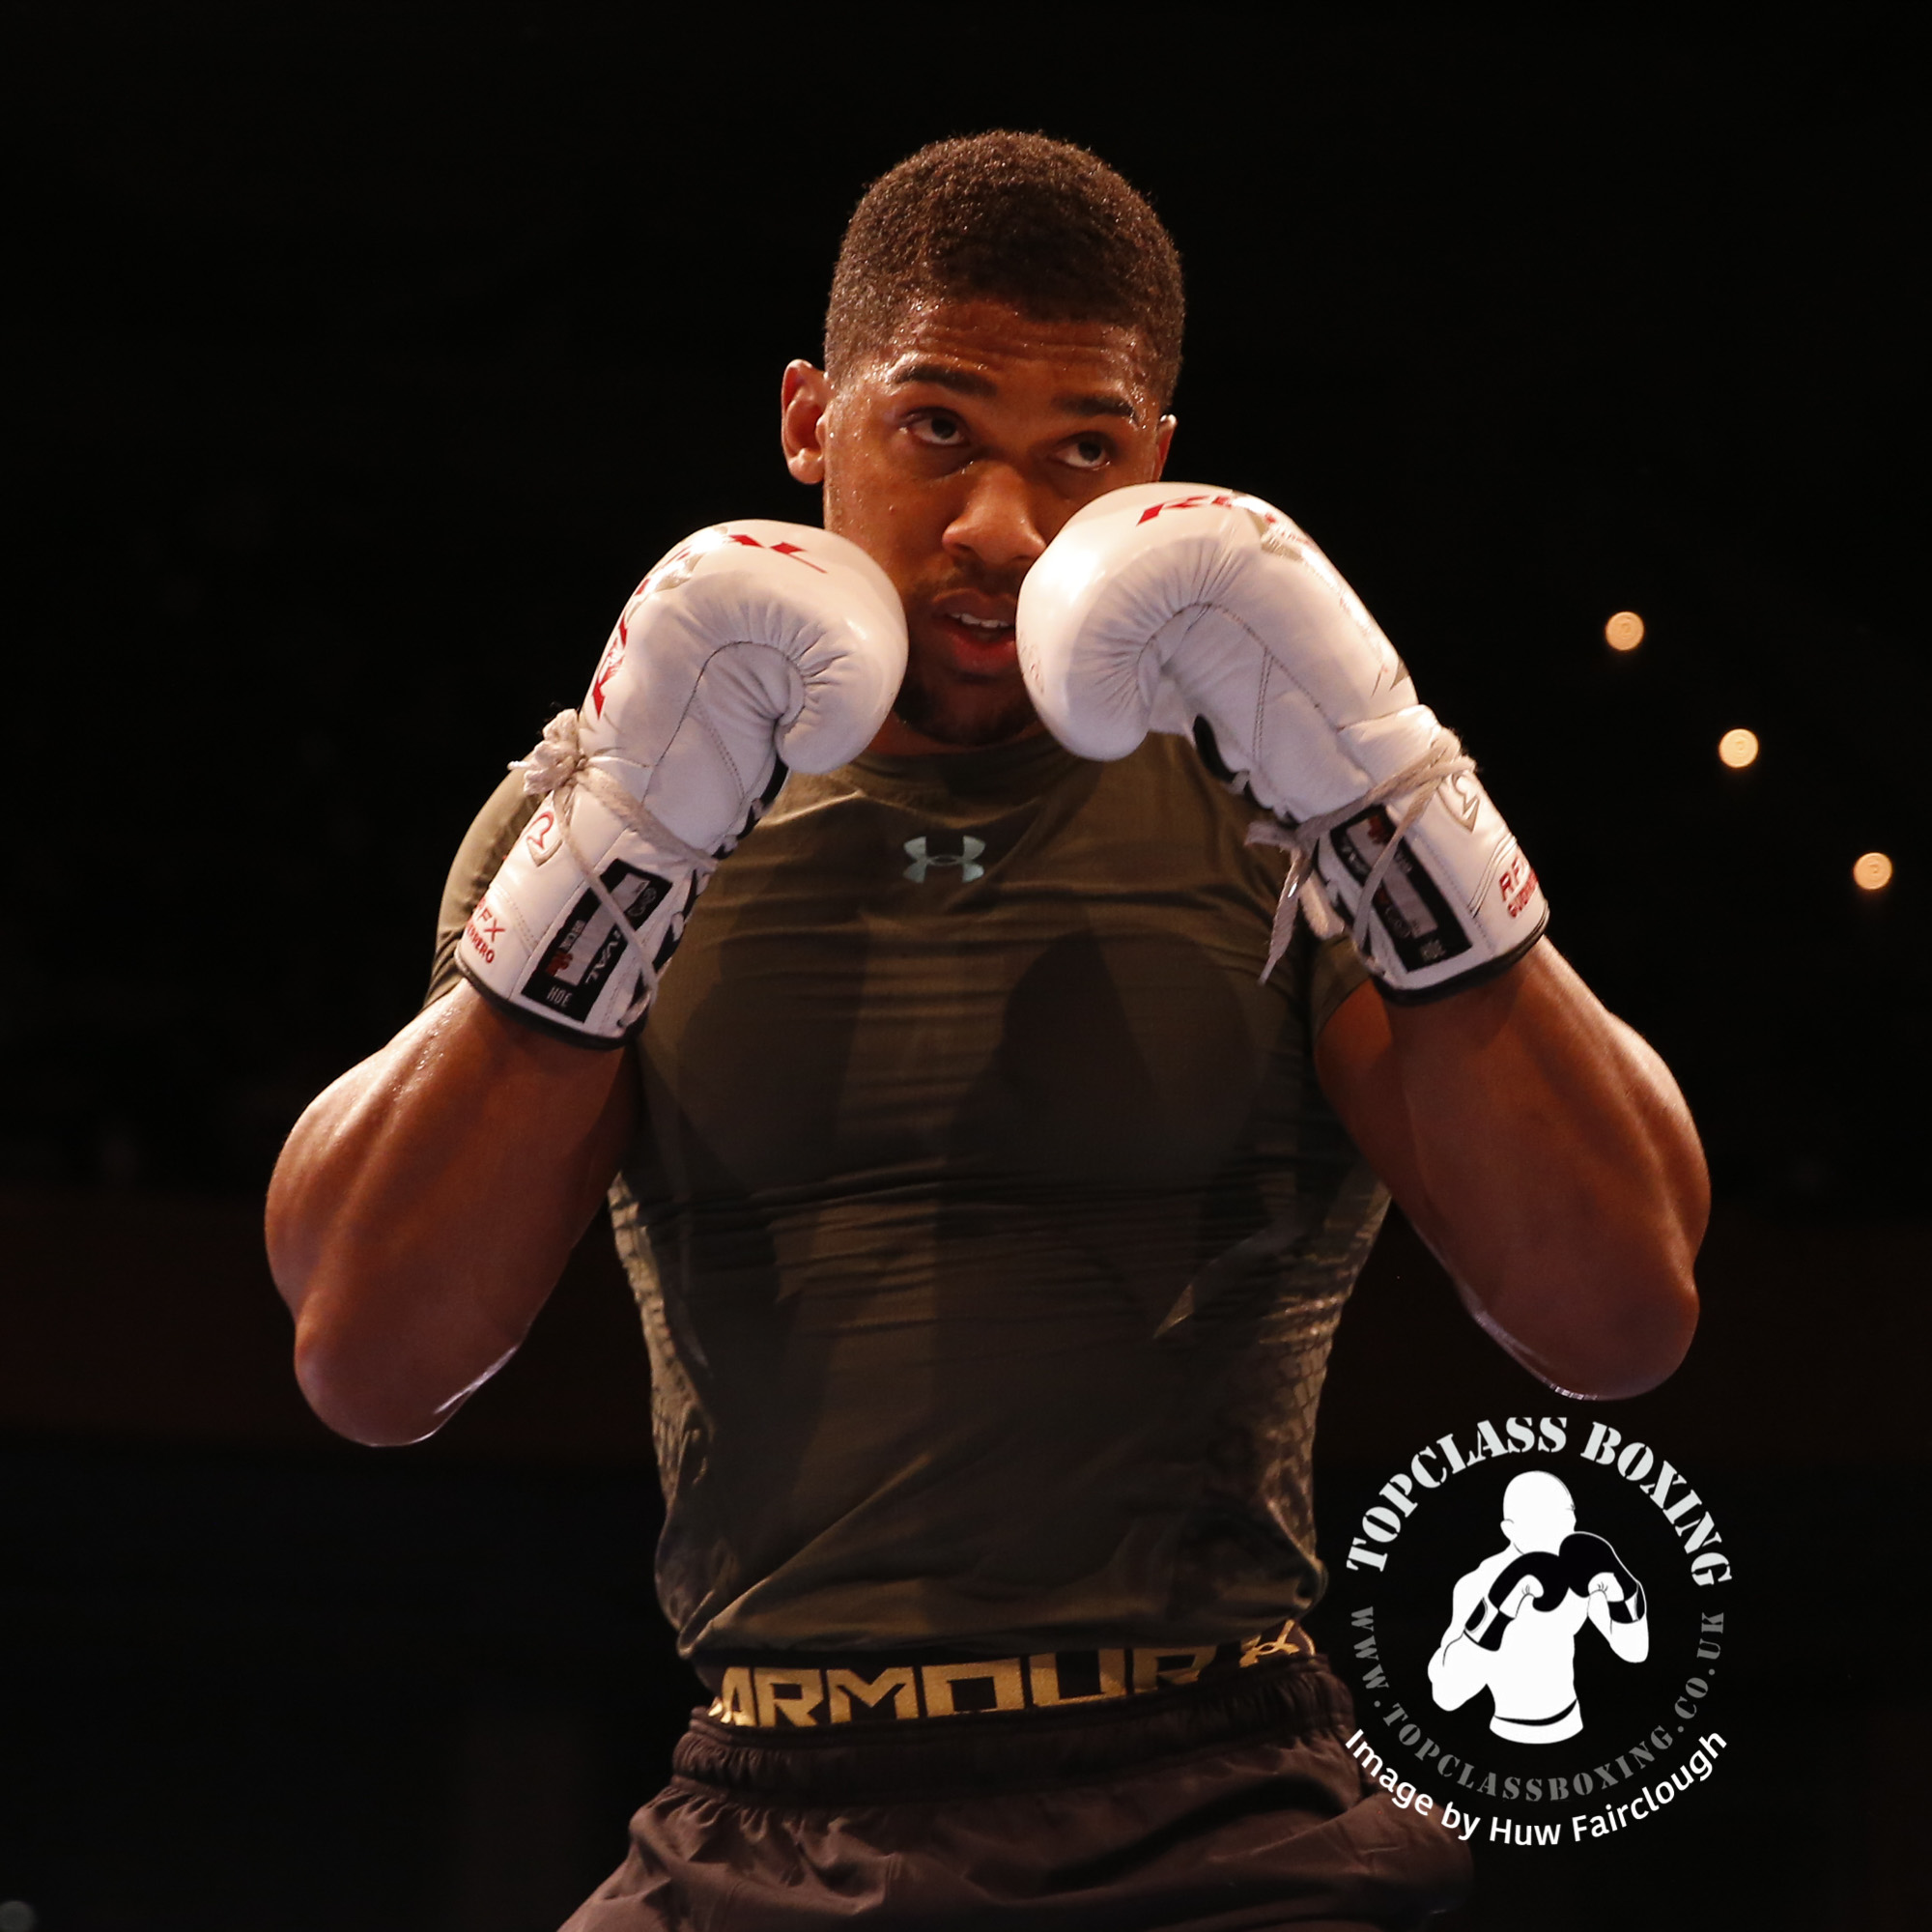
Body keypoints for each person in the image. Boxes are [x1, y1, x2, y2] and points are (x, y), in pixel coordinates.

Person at [267, 132, 1707, 1930]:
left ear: (1156, 469)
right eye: (937, 426)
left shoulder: (1283, 806)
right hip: (761, 1814)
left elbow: (1617, 1313)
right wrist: (615, 859)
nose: (1000, 528)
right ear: (811, 420)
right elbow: (371, 1360)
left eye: (1079, 452)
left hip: (1222, 1817)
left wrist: (1393, 799)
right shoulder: (606, 804)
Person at [1427, 1471, 1649, 1745]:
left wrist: (1625, 1589)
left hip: (1574, 1728)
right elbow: (1447, 1695)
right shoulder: (1479, 1583)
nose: (1558, 1530)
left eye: (1566, 1516)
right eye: (1541, 1521)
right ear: (1510, 1530)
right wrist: (1497, 1606)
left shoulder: (1579, 1570)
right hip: (1504, 1737)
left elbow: (1634, 1651)